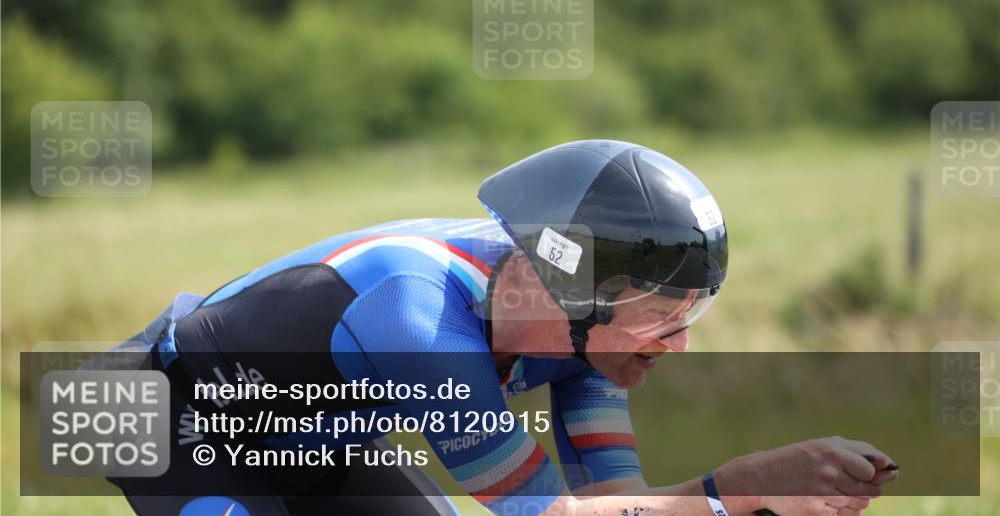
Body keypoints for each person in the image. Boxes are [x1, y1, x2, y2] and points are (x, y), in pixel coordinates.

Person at [106, 140, 898, 515]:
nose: (680, 344)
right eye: (663, 317)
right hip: (154, 413)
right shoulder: (415, 315)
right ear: (571, 287)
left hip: (310, 441)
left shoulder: (583, 345)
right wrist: (745, 485)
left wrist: (754, 507)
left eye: (692, 316)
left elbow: (617, 508)